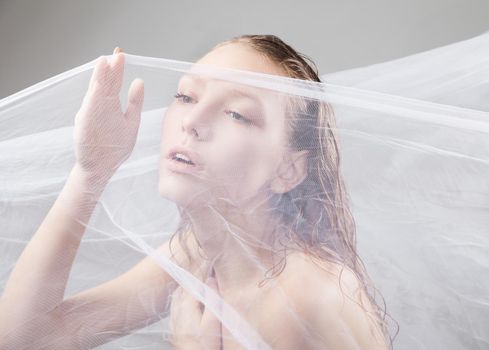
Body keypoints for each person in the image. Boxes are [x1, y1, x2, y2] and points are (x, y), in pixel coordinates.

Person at [0, 35, 394, 349]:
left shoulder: (305, 297)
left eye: (237, 113)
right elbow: (27, 340)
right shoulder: (195, 255)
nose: (193, 121)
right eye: (187, 96)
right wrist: (91, 171)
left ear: (288, 170)